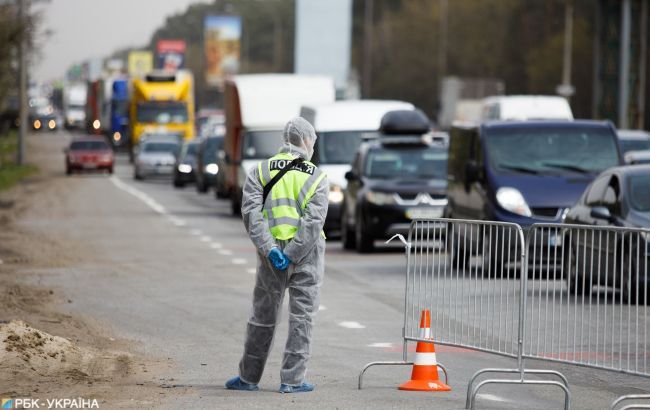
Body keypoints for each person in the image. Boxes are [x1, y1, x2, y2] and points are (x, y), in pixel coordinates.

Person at [226, 117, 329, 394]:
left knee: (262, 316)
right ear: (306, 141)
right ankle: (292, 381)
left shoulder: (259, 171)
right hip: (306, 256)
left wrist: (271, 249)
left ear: (285, 139)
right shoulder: (317, 176)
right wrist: (294, 252)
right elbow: (313, 221)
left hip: (269, 257)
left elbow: (251, 214)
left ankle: (248, 378)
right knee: (302, 318)